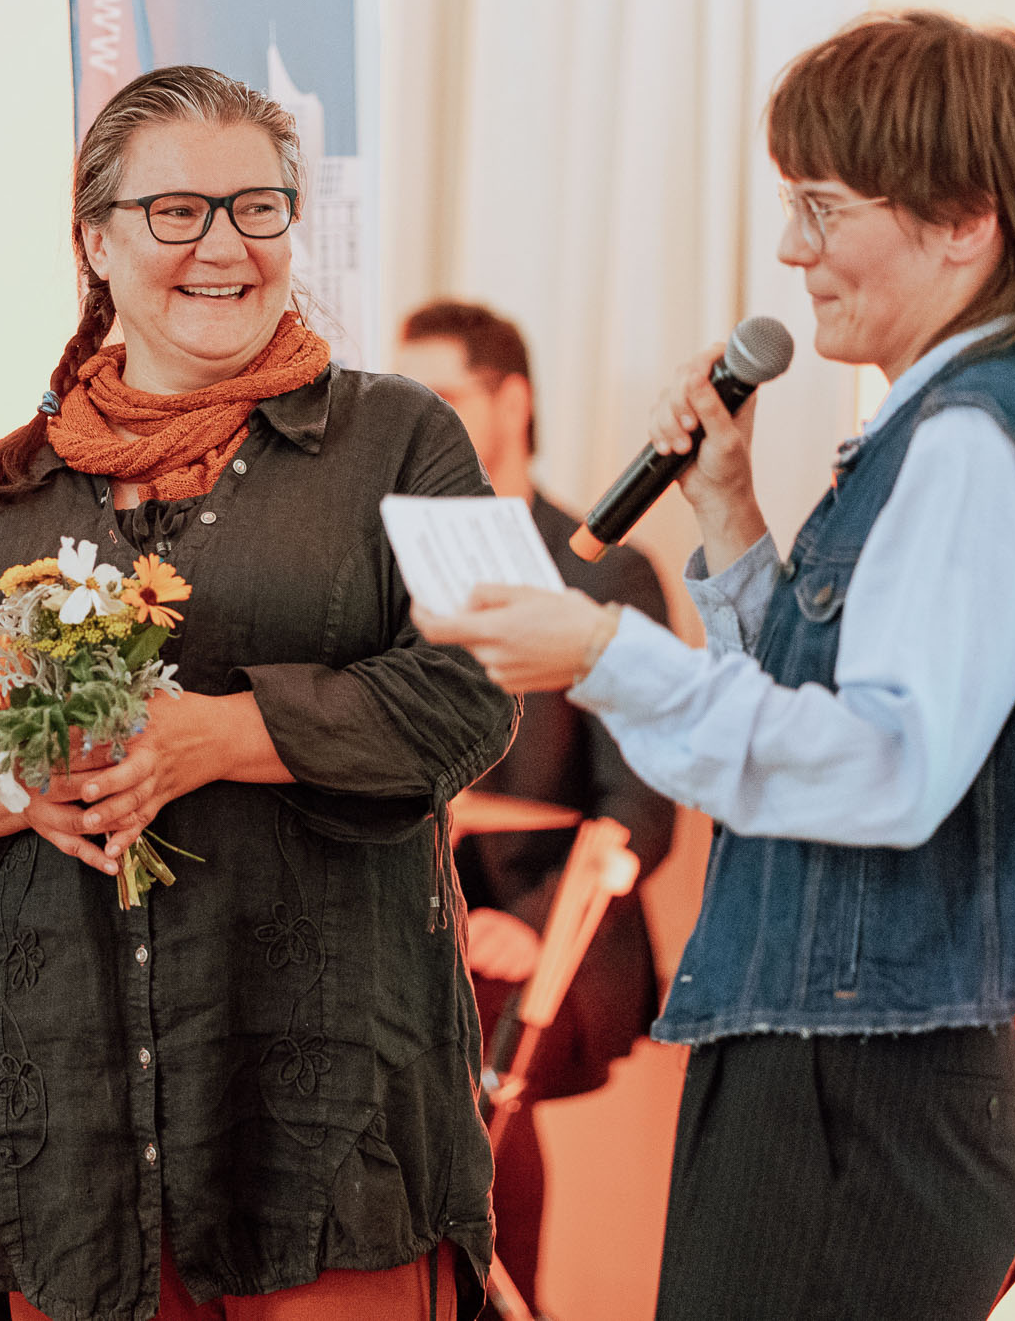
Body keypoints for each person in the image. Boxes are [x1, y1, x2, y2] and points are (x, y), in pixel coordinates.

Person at [416, 11, 1015, 1321]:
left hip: (862, 1086)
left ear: (965, 219)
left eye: (822, 207)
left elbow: (883, 767)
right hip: (830, 1061)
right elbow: (810, 718)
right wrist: (730, 516)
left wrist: (605, 649)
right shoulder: (942, 426)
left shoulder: (971, 444)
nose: (791, 248)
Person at [0, 66, 518, 1321]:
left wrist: (220, 733)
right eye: (177, 212)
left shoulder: (411, 437)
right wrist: (20, 793)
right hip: (66, 1138)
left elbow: (484, 681)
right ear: (97, 241)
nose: (224, 245)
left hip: (328, 1121)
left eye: (257, 207)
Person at [393, 299, 676, 1308]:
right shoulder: (388, 566)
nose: (420, 422)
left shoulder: (603, 570)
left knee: (462, 1054)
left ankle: (503, 1300)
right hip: (418, 916)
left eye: (443, 397)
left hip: (562, 925)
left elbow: (642, 806)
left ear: (511, 400)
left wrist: (535, 921)